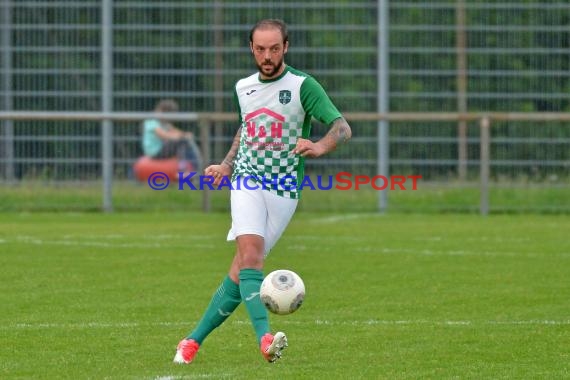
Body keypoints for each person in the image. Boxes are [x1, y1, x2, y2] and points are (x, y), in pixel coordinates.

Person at [173, 19, 352, 364]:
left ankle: (191, 341)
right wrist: (227, 166)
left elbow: (342, 128)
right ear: (251, 49)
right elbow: (247, 128)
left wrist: (320, 146)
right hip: (247, 180)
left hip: (285, 189)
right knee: (252, 255)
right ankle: (265, 338)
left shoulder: (303, 86)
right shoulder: (243, 87)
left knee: (241, 270)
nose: (267, 56)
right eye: (260, 49)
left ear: (285, 47)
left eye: (274, 49)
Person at [142, 99, 200, 171]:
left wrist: (185, 134)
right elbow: (164, 135)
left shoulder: (164, 123)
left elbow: (175, 131)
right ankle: (188, 167)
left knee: (184, 141)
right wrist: (180, 137)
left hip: (162, 149)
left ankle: (192, 166)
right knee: (182, 142)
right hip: (155, 153)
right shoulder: (152, 121)